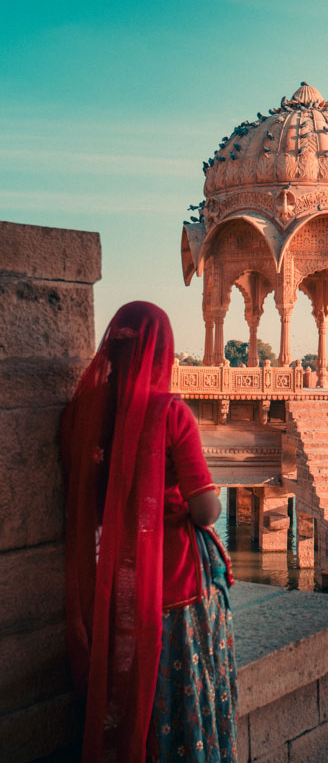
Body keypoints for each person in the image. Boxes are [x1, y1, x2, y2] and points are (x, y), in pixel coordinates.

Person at [61, 301, 237, 762]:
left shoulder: (84, 413)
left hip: (118, 582)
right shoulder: (170, 413)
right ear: (163, 353)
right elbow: (205, 512)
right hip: (175, 582)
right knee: (182, 692)